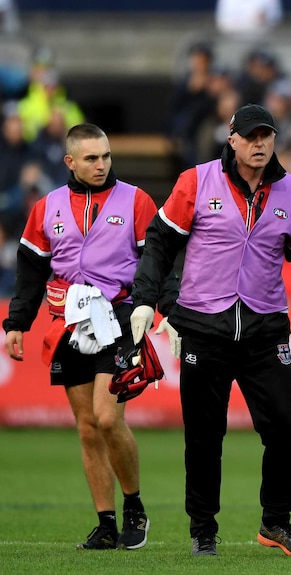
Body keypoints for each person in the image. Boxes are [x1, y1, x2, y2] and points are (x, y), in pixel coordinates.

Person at [129, 103, 291, 557]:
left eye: (267, 135)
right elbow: (160, 243)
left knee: (283, 429)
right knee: (204, 436)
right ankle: (203, 529)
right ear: (233, 138)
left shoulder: (289, 190)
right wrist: (145, 300)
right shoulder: (196, 181)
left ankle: (276, 522)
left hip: (265, 330)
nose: (260, 144)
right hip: (203, 326)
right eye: (252, 136)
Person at [2, 123, 179, 550]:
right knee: (86, 429)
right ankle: (105, 522)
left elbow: (157, 260)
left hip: (119, 316)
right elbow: (30, 272)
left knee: (106, 416)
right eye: (91, 159)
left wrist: (166, 309)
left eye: (106, 156)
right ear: (70, 162)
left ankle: (134, 505)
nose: (101, 165)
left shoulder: (136, 200)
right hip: (67, 322)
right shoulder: (46, 207)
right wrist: (16, 323)